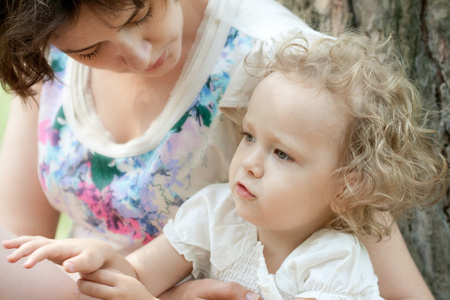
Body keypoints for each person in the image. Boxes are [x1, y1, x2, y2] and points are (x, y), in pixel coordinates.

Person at [0, 0, 440, 299]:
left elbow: (401, 291)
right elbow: (16, 246)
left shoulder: (297, 77)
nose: (139, 55)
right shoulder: (215, 212)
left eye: (138, 14)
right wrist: (109, 264)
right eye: (92, 50)